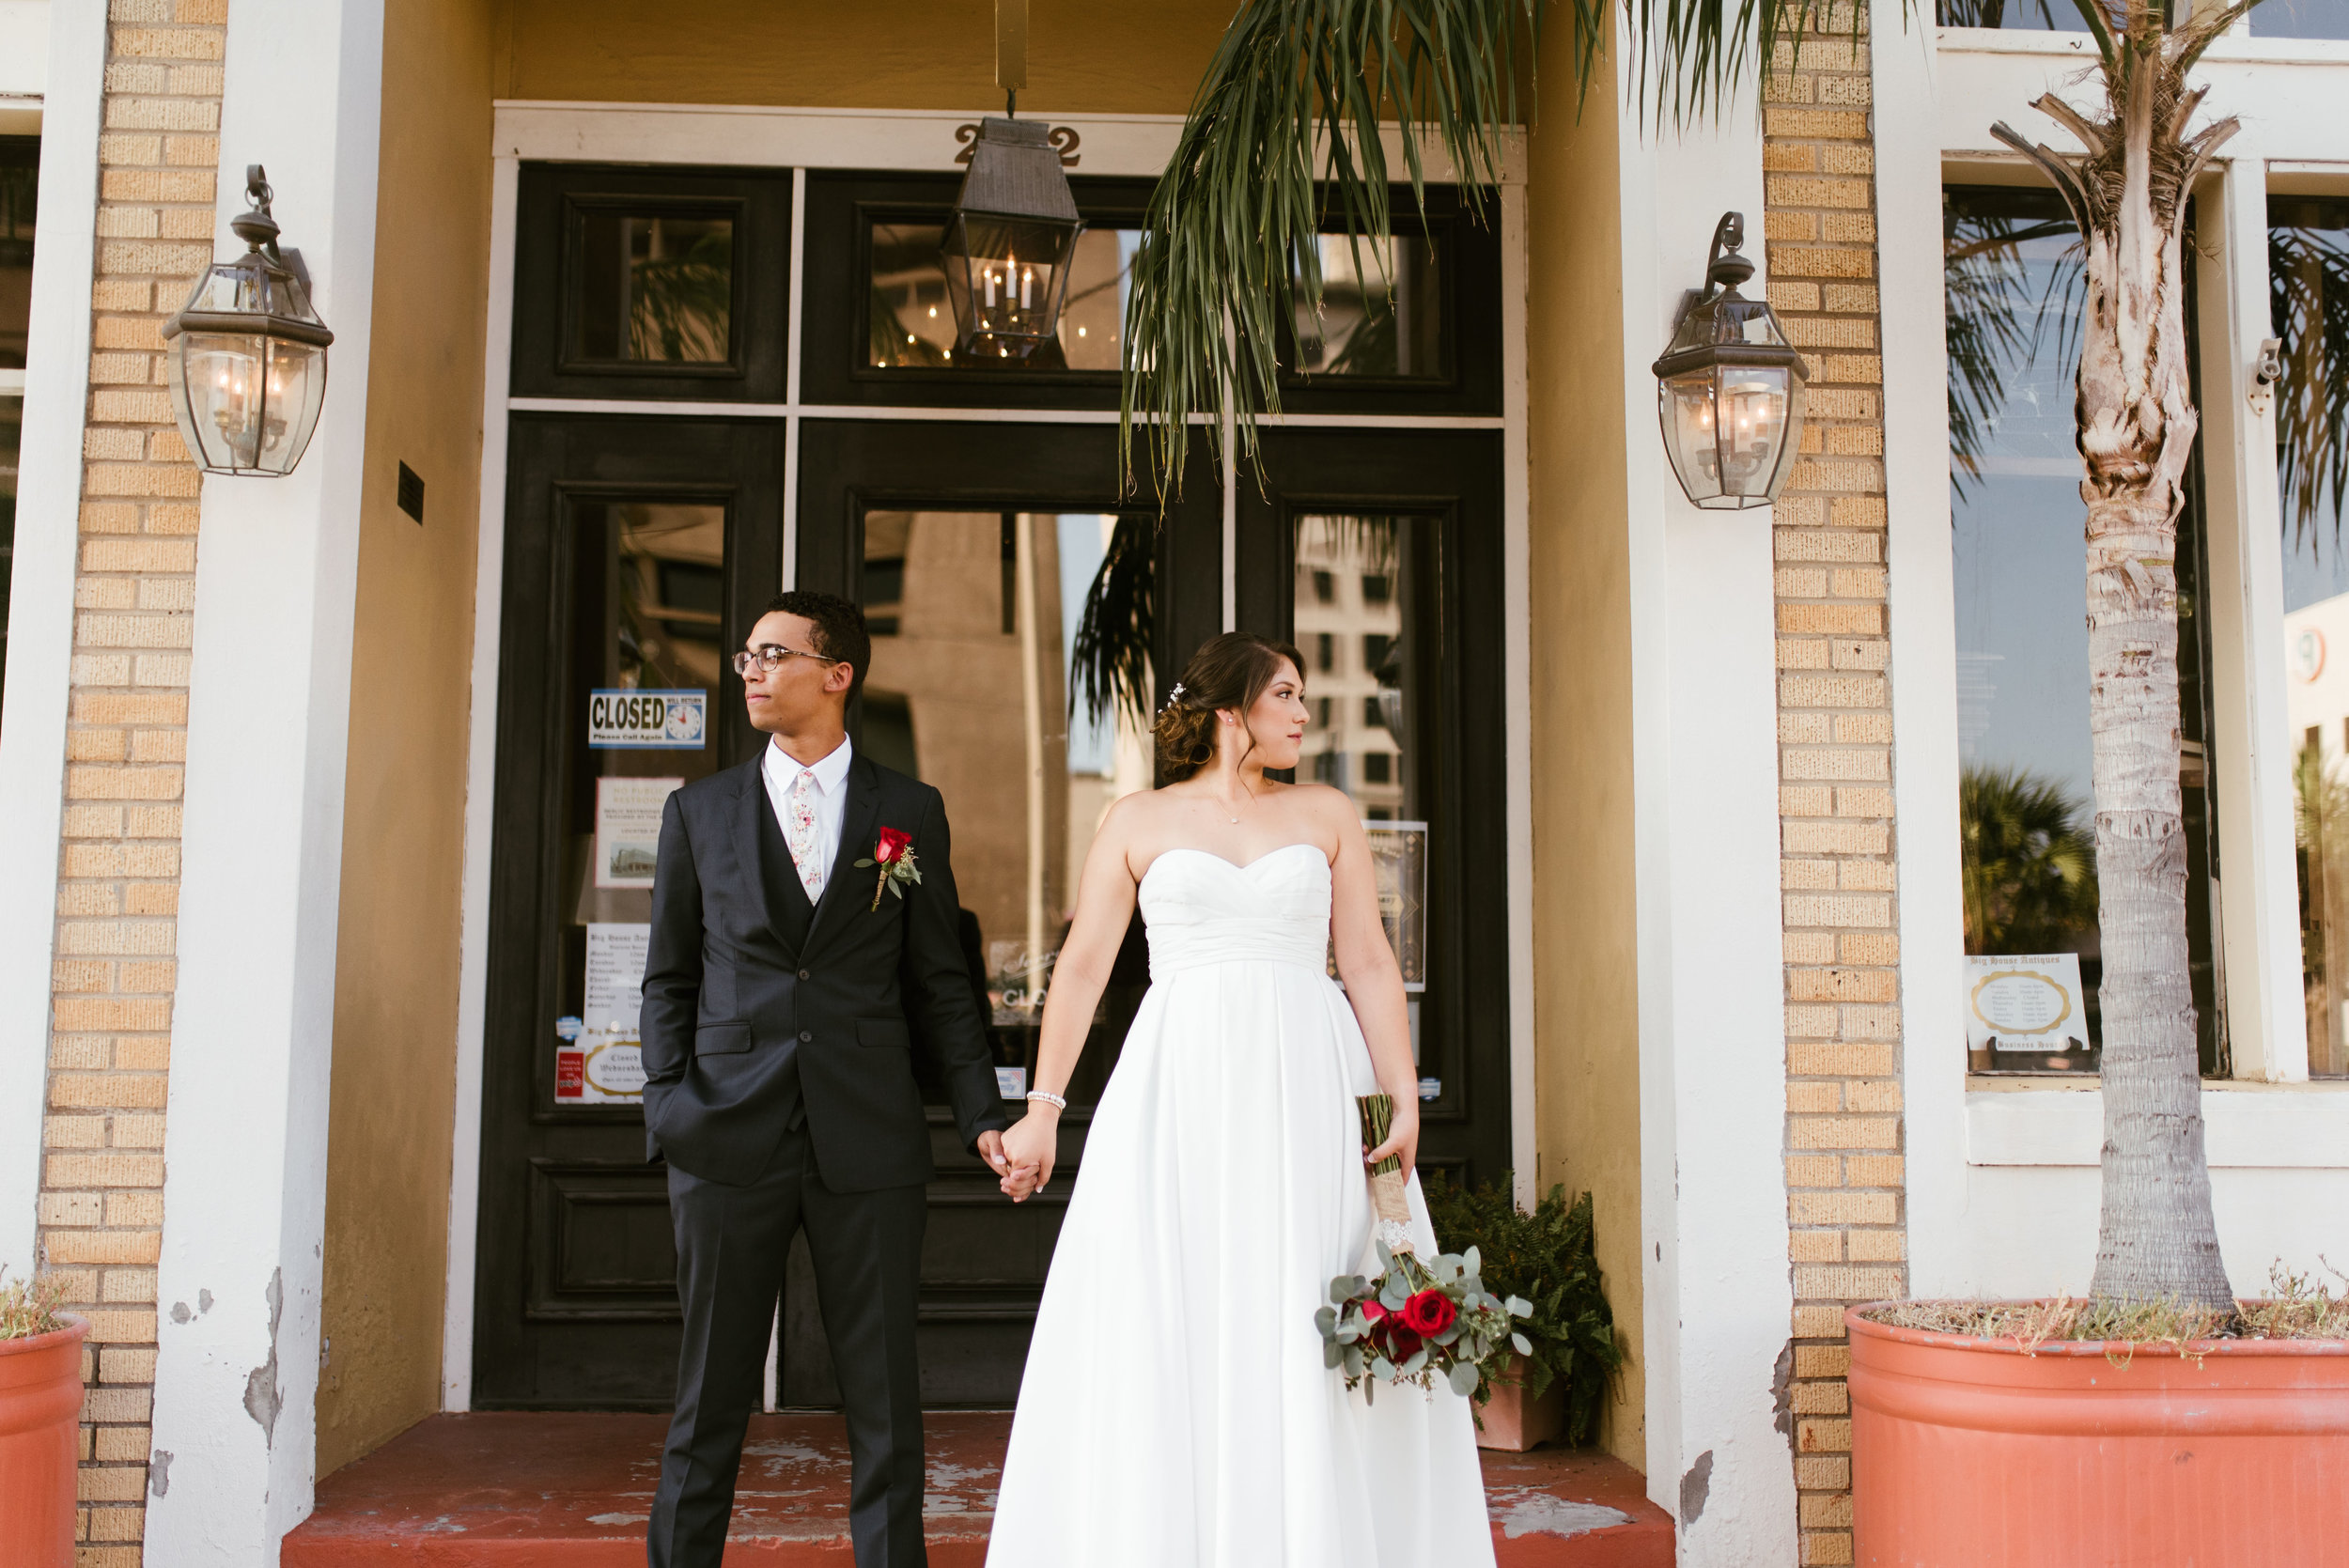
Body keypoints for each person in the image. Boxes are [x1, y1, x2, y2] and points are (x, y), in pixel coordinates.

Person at [986, 632, 1495, 1567]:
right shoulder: (1136, 818)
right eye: (1288, 694)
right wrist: (1044, 1106)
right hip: (1177, 1083)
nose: (1305, 714)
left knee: (1307, 1275)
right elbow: (1087, 964)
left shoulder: (1326, 811)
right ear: (1232, 709)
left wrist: (1400, 1094)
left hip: (1311, 1073)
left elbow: (1371, 961)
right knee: (1179, 1291)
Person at [638, 589, 1013, 1568]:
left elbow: (941, 984)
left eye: (772, 653)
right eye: (746, 656)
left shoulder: (908, 812)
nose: (750, 669)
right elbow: (669, 978)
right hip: (722, 1133)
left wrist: (983, 1113)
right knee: (707, 1399)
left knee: (884, 1400)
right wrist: (669, 1106)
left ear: (836, 673)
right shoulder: (699, 809)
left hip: (870, 1135)